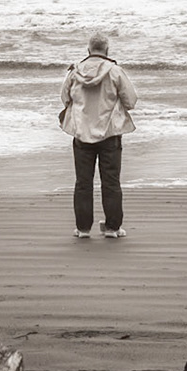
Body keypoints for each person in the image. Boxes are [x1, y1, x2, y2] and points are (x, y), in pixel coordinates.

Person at [58, 32, 138, 238]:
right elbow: (131, 101)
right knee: (111, 181)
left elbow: (64, 98)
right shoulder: (115, 71)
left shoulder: (74, 72)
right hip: (110, 133)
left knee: (83, 182)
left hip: (81, 133)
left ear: (88, 50)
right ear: (107, 50)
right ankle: (112, 227)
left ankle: (83, 228)